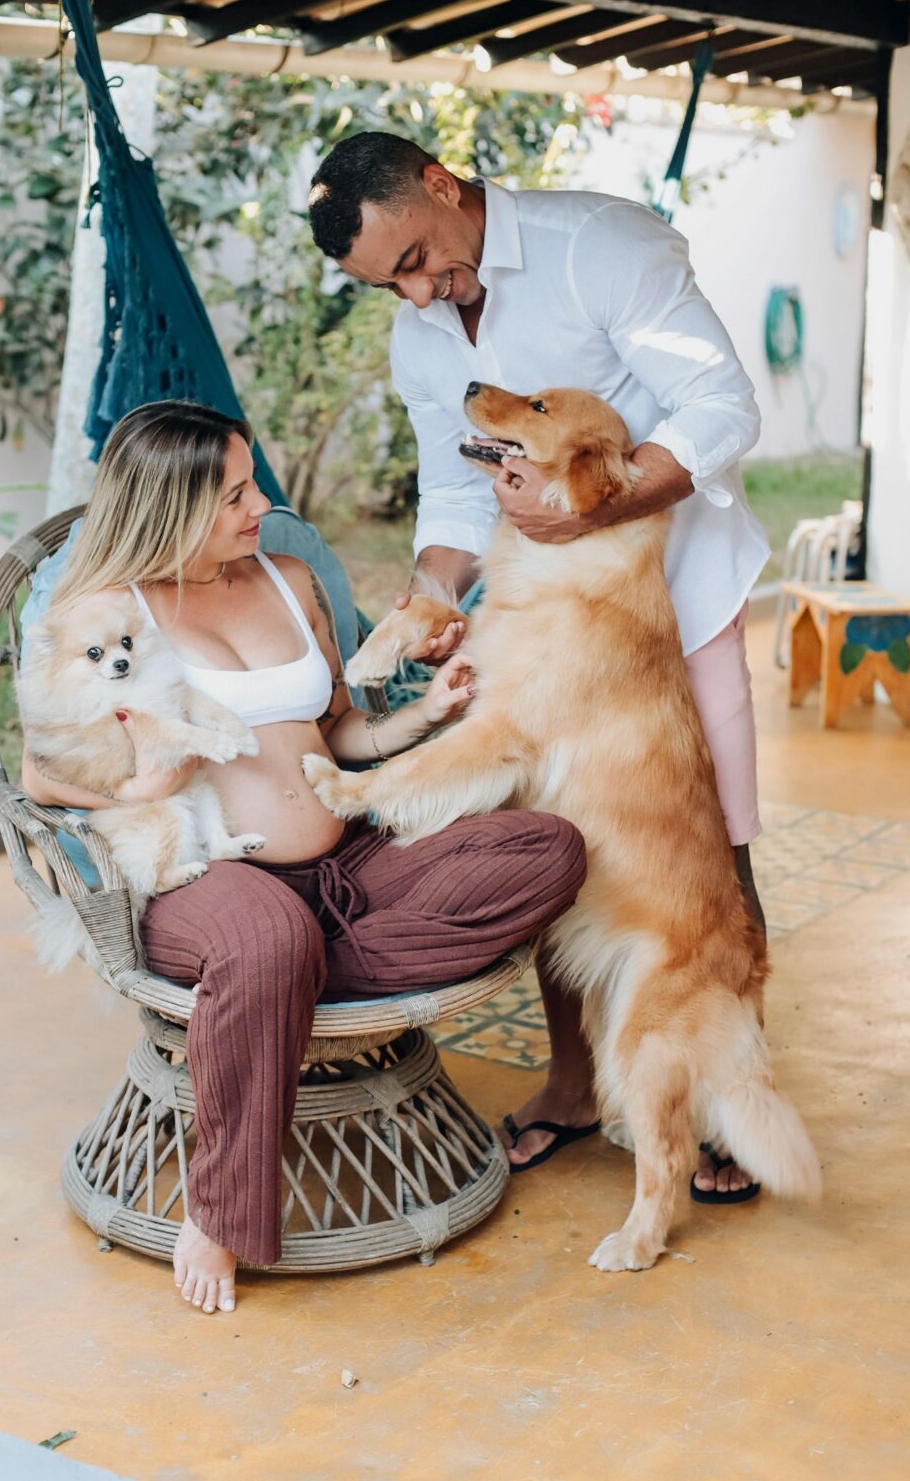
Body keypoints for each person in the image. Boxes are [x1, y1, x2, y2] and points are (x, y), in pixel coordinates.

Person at [21, 401, 588, 1314]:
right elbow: (38, 773)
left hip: (347, 861)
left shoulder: (287, 579)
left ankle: (284, 984)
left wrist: (426, 712)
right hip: (208, 879)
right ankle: (223, 1210)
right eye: (234, 495)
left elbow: (340, 733)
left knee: (545, 847)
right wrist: (133, 794)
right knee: (265, 936)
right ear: (169, 507)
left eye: (252, 482)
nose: (261, 506)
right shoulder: (111, 615)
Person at [308, 132, 769, 1200]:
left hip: (678, 598)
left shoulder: (598, 244)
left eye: (415, 260)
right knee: (553, 845)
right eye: (389, 285)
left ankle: (722, 1098)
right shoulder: (421, 333)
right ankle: (571, 1084)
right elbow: (452, 487)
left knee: (710, 849)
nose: (417, 295)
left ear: (439, 184)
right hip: (543, 616)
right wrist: (430, 595)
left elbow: (721, 406)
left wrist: (590, 507)